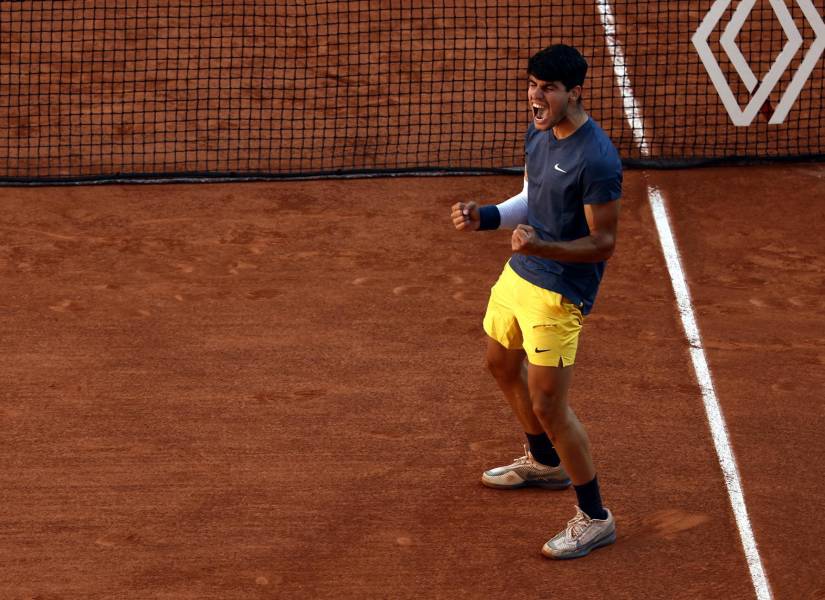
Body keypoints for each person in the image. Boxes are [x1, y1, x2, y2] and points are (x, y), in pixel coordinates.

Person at [450, 44, 622, 559]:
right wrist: (486, 216)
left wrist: (542, 245)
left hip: (561, 292)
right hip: (521, 275)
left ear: (574, 92)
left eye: (547, 87)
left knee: (550, 403)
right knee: (499, 363)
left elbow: (603, 241)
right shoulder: (540, 132)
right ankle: (544, 463)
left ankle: (595, 516)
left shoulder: (597, 158)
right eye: (531, 84)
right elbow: (531, 197)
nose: (535, 96)